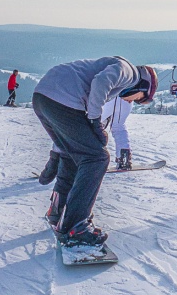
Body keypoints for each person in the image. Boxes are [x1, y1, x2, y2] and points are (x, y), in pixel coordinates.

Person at [33, 57, 157, 247]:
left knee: (71, 155)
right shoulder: (129, 72)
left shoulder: (120, 70)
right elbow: (101, 81)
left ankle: (57, 210)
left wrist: (59, 153)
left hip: (43, 97)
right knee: (97, 158)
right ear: (144, 87)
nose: (134, 101)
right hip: (63, 100)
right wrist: (94, 120)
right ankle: (76, 226)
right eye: (140, 99)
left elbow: (68, 143)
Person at [104, 95, 135, 169]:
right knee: (119, 127)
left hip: (109, 97)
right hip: (128, 97)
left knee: (94, 124)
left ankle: (94, 160)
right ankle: (124, 159)